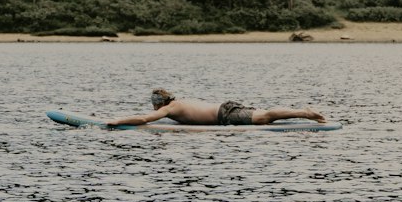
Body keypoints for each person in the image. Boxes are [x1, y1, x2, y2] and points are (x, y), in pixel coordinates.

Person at [105, 87, 326, 128]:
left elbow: (144, 120)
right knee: (265, 115)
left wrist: (117, 121)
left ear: (159, 103)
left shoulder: (168, 109)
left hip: (225, 114)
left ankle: (305, 113)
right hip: (225, 109)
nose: (154, 108)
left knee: (265, 117)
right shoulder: (177, 103)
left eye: (154, 104)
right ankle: (303, 112)